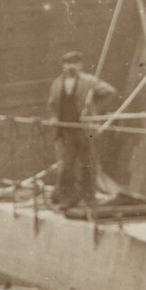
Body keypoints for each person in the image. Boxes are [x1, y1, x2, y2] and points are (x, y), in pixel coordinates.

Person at [45, 51, 118, 212]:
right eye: (67, 63)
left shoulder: (89, 81)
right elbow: (52, 103)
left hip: (86, 129)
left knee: (88, 164)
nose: (70, 66)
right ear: (63, 66)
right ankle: (68, 199)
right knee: (66, 166)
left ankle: (88, 198)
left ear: (80, 65)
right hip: (66, 131)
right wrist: (54, 118)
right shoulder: (57, 83)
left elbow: (110, 92)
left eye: (74, 63)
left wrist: (94, 110)